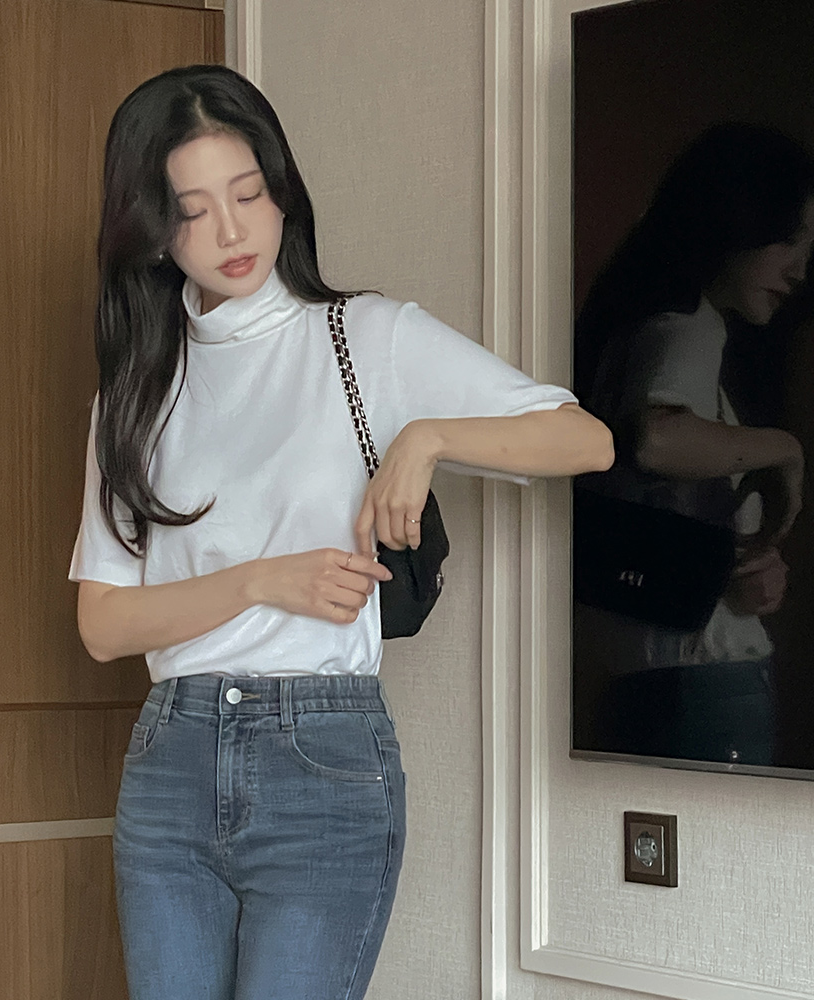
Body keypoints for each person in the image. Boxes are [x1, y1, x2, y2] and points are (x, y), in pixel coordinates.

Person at [69, 64, 613, 1000]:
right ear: (153, 231)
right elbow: (103, 624)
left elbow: (585, 440)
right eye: (192, 210)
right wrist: (258, 581)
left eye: (248, 193)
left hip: (320, 760)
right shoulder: (132, 396)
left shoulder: (364, 337)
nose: (231, 231)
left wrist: (427, 437)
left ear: (282, 189)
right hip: (170, 762)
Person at [573, 122, 814, 766]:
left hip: (655, 679)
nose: (799, 269)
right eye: (789, 238)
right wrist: (784, 449)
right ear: (736, 218)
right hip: (702, 687)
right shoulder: (687, 326)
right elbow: (657, 439)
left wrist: (736, 577)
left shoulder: (629, 331)